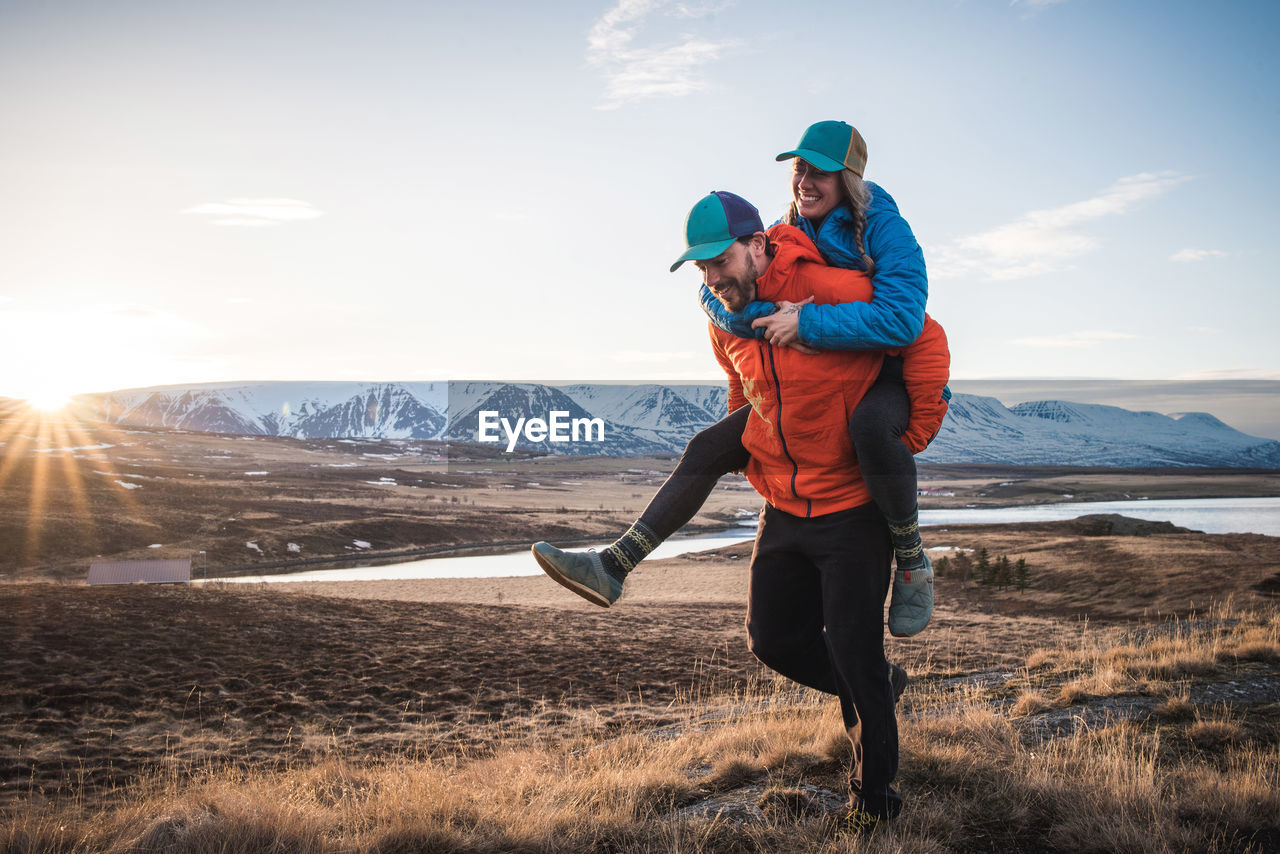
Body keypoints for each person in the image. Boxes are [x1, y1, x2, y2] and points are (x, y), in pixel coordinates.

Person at [540, 191, 949, 824]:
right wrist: (743, 440)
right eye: (700, 267)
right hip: (784, 507)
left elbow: (916, 329)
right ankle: (617, 563)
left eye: (719, 260)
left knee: (853, 653)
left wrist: (907, 423)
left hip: (851, 511)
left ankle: (875, 805)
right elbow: (744, 387)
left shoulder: (827, 285)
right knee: (774, 641)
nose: (710, 278)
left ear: (758, 245)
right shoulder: (722, 313)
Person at [533, 121, 946, 638]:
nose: (805, 182)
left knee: (870, 427)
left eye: (820, 171)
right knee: (710, 445)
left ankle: (911, 561)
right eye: (799, 169)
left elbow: (906, 320)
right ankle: (613, 565)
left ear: (850, 178)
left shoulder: (885, 228)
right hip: (827, 366)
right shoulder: (781, 227)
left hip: (892, 365)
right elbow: (732, 284)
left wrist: (804, 323)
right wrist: (742, 311)